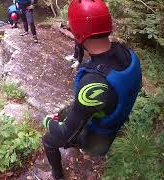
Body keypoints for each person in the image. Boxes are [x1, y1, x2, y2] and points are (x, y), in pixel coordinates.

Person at [42, 0, 142, 179]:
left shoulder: (92, 85)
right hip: (116, 120)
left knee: (48, 140)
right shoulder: (129, 54)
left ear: (78, 34)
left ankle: (57, 175)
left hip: (97, 140)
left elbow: (66, 134)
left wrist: (47, 121)